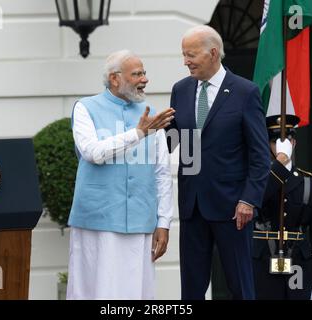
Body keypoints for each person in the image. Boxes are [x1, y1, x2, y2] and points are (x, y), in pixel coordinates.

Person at [166, 25, 270, 300]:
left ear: (213, 53)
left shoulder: (245, 92)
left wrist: (249, 199)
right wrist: (147, 131)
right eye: (183, 55)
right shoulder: (180, 90)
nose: (185, 61)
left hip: (233, 208)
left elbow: (260, 155)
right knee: (191, 288)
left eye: (190, 55)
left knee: (240, 285)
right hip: (192, 205)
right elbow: (175, 142)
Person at [66, 50, 175, 300]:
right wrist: (137, 133)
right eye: (137, 74)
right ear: (115, 79)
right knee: (96, 291)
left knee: (136, 293)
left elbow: (161, 172)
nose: (144, 79)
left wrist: (164, 222)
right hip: (97, 220)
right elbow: (93, 152)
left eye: (144, 72)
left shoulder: (151, 114)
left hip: (141, 221)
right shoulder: (85, 108)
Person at [252, 114, 312, 300]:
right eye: (275, 141)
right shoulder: (256, 180)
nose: (280, 146)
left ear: (294, 143)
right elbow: (255, 200)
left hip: (299, 264)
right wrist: (280, 164)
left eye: (286, 140)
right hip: (261, 263)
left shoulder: (310, 183)